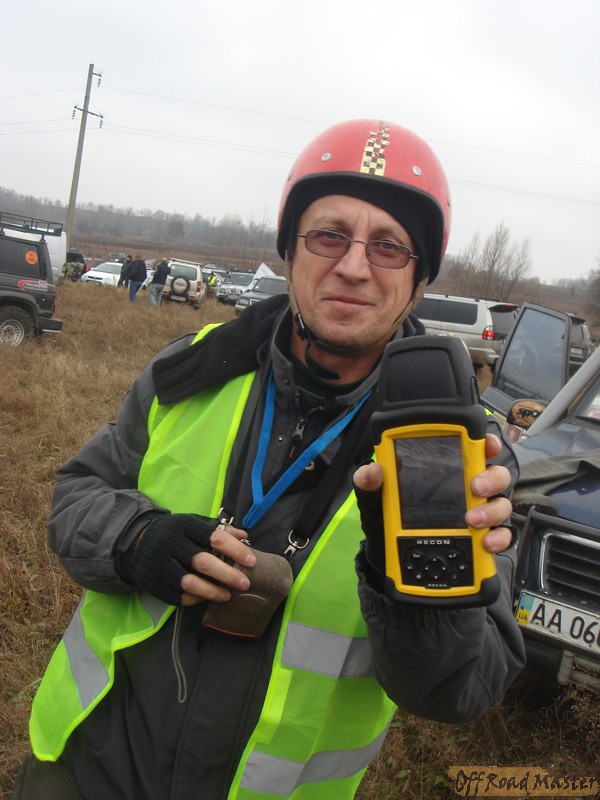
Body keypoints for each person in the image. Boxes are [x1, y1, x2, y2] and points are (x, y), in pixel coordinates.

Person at [11, 119, 525, 800]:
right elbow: (75, 496)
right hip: (89, 773)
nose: (353, 266)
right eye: (329, 235)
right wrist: (136, 540)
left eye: (389, 246)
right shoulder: (192, 370)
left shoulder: (470, 458)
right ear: (289, 251)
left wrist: (407, 583)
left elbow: (460, 690)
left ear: (420, 277)